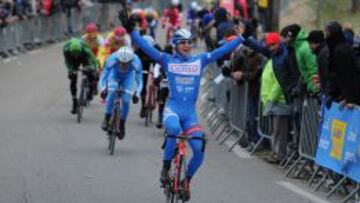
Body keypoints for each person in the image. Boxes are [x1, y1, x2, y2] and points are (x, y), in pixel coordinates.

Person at [119, 10, 245, 201]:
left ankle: (186, 181)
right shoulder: (167, 60)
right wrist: (131, 30)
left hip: (190, 116)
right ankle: (165, 168)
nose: (187, 45)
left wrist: (241, 37)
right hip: (173, 110)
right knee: (173, 129)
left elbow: (222, 51)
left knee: (200, 150)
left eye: (189, 42)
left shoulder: (199, 60)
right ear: (176, 46)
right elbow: (146, 47)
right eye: (182, 42)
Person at [99, 46, 142, 139]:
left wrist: (137, 93)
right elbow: (103, 76)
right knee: (112, 92)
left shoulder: (136, 62)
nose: (123, 65)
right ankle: (106, 118)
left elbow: (140, 81)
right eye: (121, 63)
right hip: (114, 75)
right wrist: (103, 89)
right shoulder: (111, 59)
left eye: (126, 63)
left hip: (128, 78)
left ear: (131, 61)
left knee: (126, 100)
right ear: (118, 60)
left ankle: (122, 125)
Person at [63, 38, 99, 114]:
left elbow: (92, 59)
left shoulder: (85, 48)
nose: (76, 55)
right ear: (70, 51)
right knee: (72, 77)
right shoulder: (66, 48)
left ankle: (90, 91)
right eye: (74, 54)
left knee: (90, 73)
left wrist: (94, 68)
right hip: (72, 60)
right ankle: (74, 102)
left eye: (77, 53)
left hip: (84, 57)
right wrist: (71, 69)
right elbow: (67, 61)